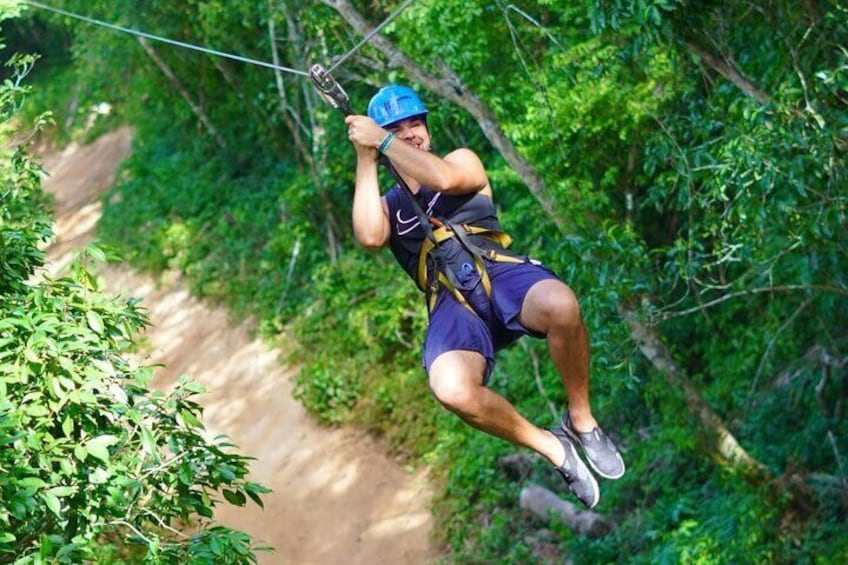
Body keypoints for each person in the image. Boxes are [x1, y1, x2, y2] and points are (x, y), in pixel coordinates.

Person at [345, 84, 625, 508]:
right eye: (396, 129)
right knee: (451, 389)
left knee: (562, 304)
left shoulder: (460, 161)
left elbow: (443, 178)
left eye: (415, 124)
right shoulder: (388, 206)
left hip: (498, 271)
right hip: (450, 303)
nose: (409, 134)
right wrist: (366, 157)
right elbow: (369, 236)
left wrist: (381, 140)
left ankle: (582, 420)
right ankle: (554, 448)